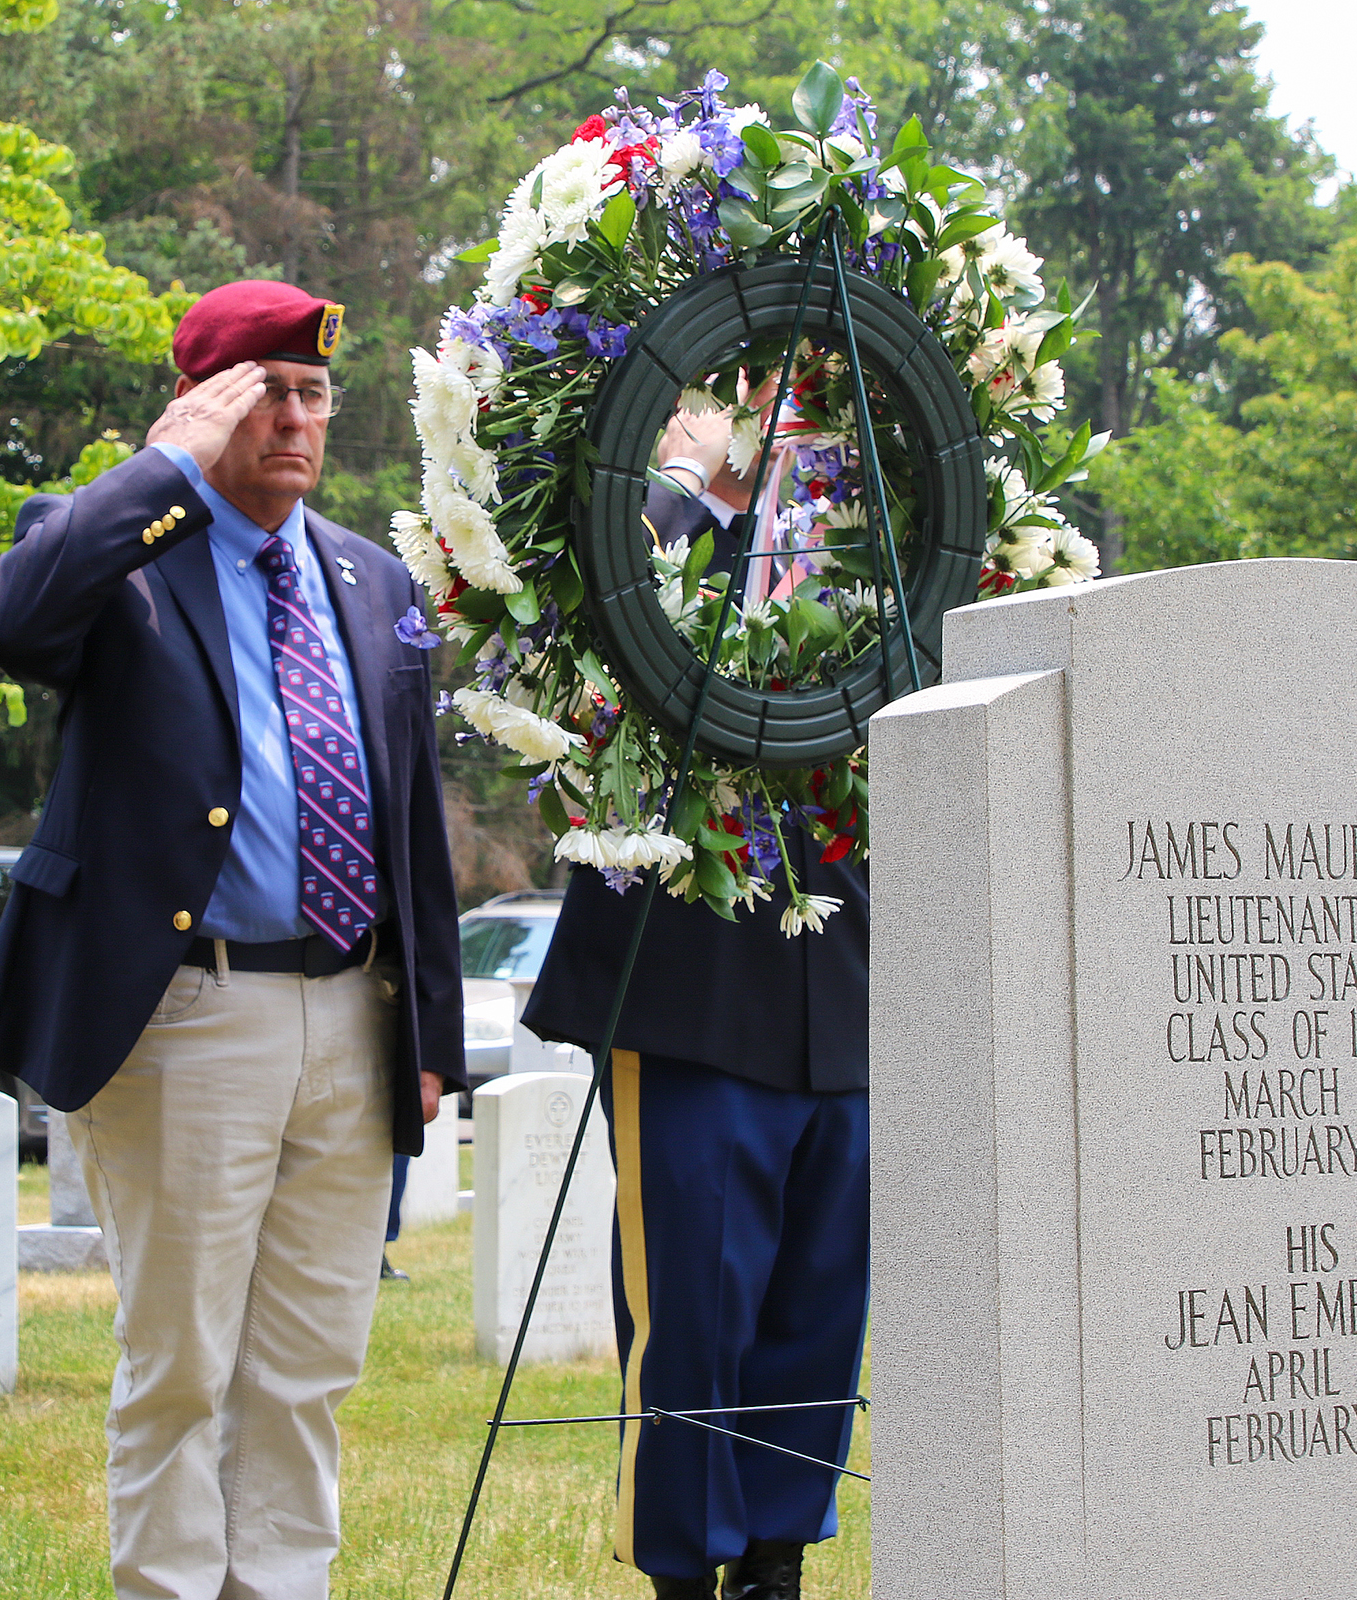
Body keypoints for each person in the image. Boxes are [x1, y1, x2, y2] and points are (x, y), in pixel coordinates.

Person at [0, 278, 464, 1600]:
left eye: (311, 393)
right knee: (181, 1366)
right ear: (196, 406)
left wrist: (431, 1037)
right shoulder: (120, 550)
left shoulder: (372, 577)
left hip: (353, 1013)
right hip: (189, 1014)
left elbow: (412, 819)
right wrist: (162, 467)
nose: (293, 417)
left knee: (307, 1368)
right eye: (261, 393)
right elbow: (10, 620)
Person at [521, 413, 870, 1600]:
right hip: (694, 984)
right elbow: (565, 624)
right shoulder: (662, 526)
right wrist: (687, 481)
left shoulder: (873, 538)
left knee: (821, 1308)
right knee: (695, 1315)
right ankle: (686, 1568)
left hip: (851, 983)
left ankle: (777, 1559)